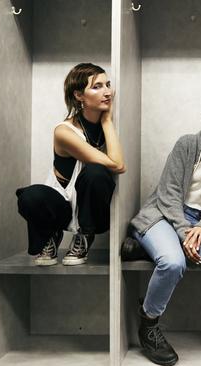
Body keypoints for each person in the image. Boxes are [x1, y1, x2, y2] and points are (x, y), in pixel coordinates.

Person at [122, 92, 201, 366]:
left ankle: (150, 249)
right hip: (165, 215)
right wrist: (184, 231)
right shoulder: (187, 144)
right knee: (174, 263)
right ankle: (149, 322)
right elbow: (168, 193)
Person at [16, 63, 125, 266]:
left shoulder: (111, 125)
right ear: (78, 95)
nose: (107, 92)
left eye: (108, 85)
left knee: (96, 172)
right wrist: (107, 121)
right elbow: (118, 164)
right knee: (29, 196)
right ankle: (50, 233)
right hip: (62, 203)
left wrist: (107, 122)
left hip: (90, 207)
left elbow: (118, 165)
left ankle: (84, 235)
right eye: (97, 86)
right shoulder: (64, 131)